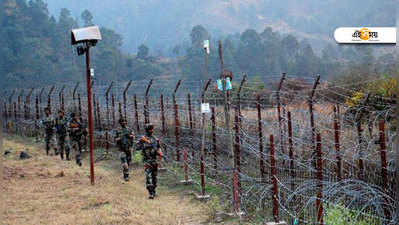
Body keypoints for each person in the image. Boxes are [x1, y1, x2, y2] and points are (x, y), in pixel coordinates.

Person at [136, 123, 163, 199]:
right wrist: (141, 142)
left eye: (152, 129)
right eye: (149, 129)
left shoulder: (155, 139)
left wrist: (160, 154)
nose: (151, 130)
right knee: (148, 177)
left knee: (154, 177)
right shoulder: (143, 139)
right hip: (146, 160)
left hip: (154, 160)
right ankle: (150, 193)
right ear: (146, 130)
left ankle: (153, 190)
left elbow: (158, 148)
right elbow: (137, 148)